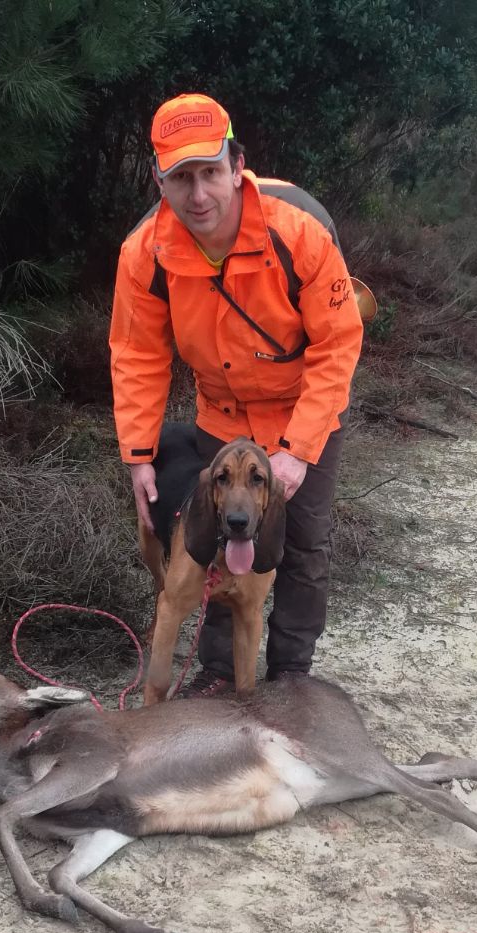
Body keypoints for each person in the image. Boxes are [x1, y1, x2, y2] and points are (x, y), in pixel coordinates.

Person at [108, 93, 363, 695]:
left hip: (305, 412)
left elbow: (337, 344)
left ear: (236, 165)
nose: (199, 195)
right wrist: (139, 453)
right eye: (181, 178)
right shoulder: (145, 254)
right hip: (219, 417)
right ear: (159, 180)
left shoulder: (296, 234)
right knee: (217, 539)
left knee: (303, 544)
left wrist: (299, 451)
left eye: (210, 174)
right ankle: (220, 672)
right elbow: (138, 355)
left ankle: (293, 673)